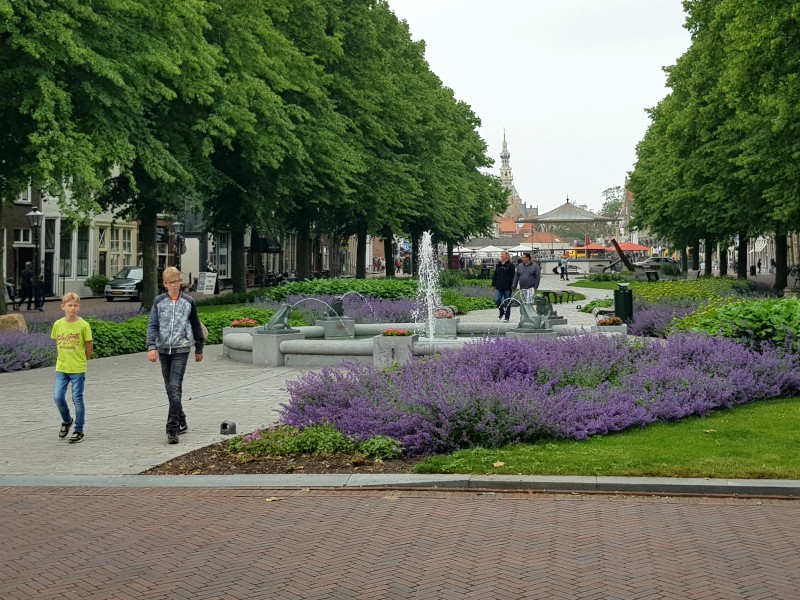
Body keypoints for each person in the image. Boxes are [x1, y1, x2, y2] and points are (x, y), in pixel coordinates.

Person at [147, 266, 205, 445]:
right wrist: (151, 346)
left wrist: (199, 348)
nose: (173, 285)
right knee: (169, 387)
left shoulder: (188, 301)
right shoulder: (159, 302)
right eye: (169, 283)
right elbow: (153, 325)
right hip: (164, 349)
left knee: (174, 387)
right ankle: (182, 418)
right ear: (165, 284)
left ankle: (172, 429)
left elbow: (195, 324)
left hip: (181, 348)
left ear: (181, 282)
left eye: (176, 282)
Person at [50, 292, 93, 444]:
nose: (72, 308)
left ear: (79, 307)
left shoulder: (83, 325)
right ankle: (67, 420)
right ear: (63, 307)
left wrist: (83, 360)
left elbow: (89, 346)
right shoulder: (58, 324)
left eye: (75, 305)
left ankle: (79, 430)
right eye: (69, 305)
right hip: (62, 368)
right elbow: (57, 343)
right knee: (58, 396)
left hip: (78, 368)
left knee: (77, 399)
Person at [491, 251, 516, 322]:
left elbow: (513, 276)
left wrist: (513, 286)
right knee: (497, 300)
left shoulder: (511, 265)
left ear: (507, 256)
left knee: (507, 301)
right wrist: (493, 285)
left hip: (507, 287)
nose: (501, 256)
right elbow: (495, 275)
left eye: (503, 254)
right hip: (499, 286)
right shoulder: (499, 264)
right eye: (501, 254)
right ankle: (501, 312)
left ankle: (507, 317)